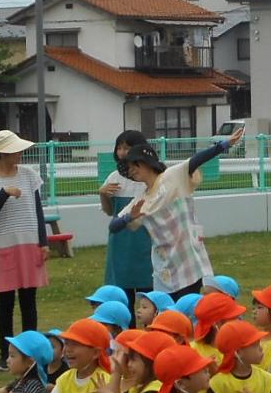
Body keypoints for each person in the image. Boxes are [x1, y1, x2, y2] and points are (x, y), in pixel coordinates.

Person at [106, 127, 247, 297]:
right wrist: (129, 217)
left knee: (189, 308)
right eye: (129, 168)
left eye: (134, 164)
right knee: (167, 314)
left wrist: (225, 144)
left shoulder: (172, 176)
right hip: (164, 268)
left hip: (188, 260)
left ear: (145, 162)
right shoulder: (140, 201)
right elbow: (113, 226)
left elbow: (197, 160)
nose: (132, 170)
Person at [0, 129, 50, 352]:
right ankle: (5, 352)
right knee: (5, 302)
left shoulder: (29, 175)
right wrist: (4, 193)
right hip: (2, 246)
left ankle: (30, 349)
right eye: (15, 150)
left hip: (29, 244)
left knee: (29, 301)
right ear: (2, 153)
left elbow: (38, 211)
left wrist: (43, 242)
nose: (20, 154)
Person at [99, 129, 155, 308]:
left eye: (127, 147)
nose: (122, 152)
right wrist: (103, 194)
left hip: (146, 239)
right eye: (119, 148)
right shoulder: (114, 178)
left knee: (150, 292)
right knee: (122, 295)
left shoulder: (149, 176)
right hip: (121, 241)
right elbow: (110, 212)